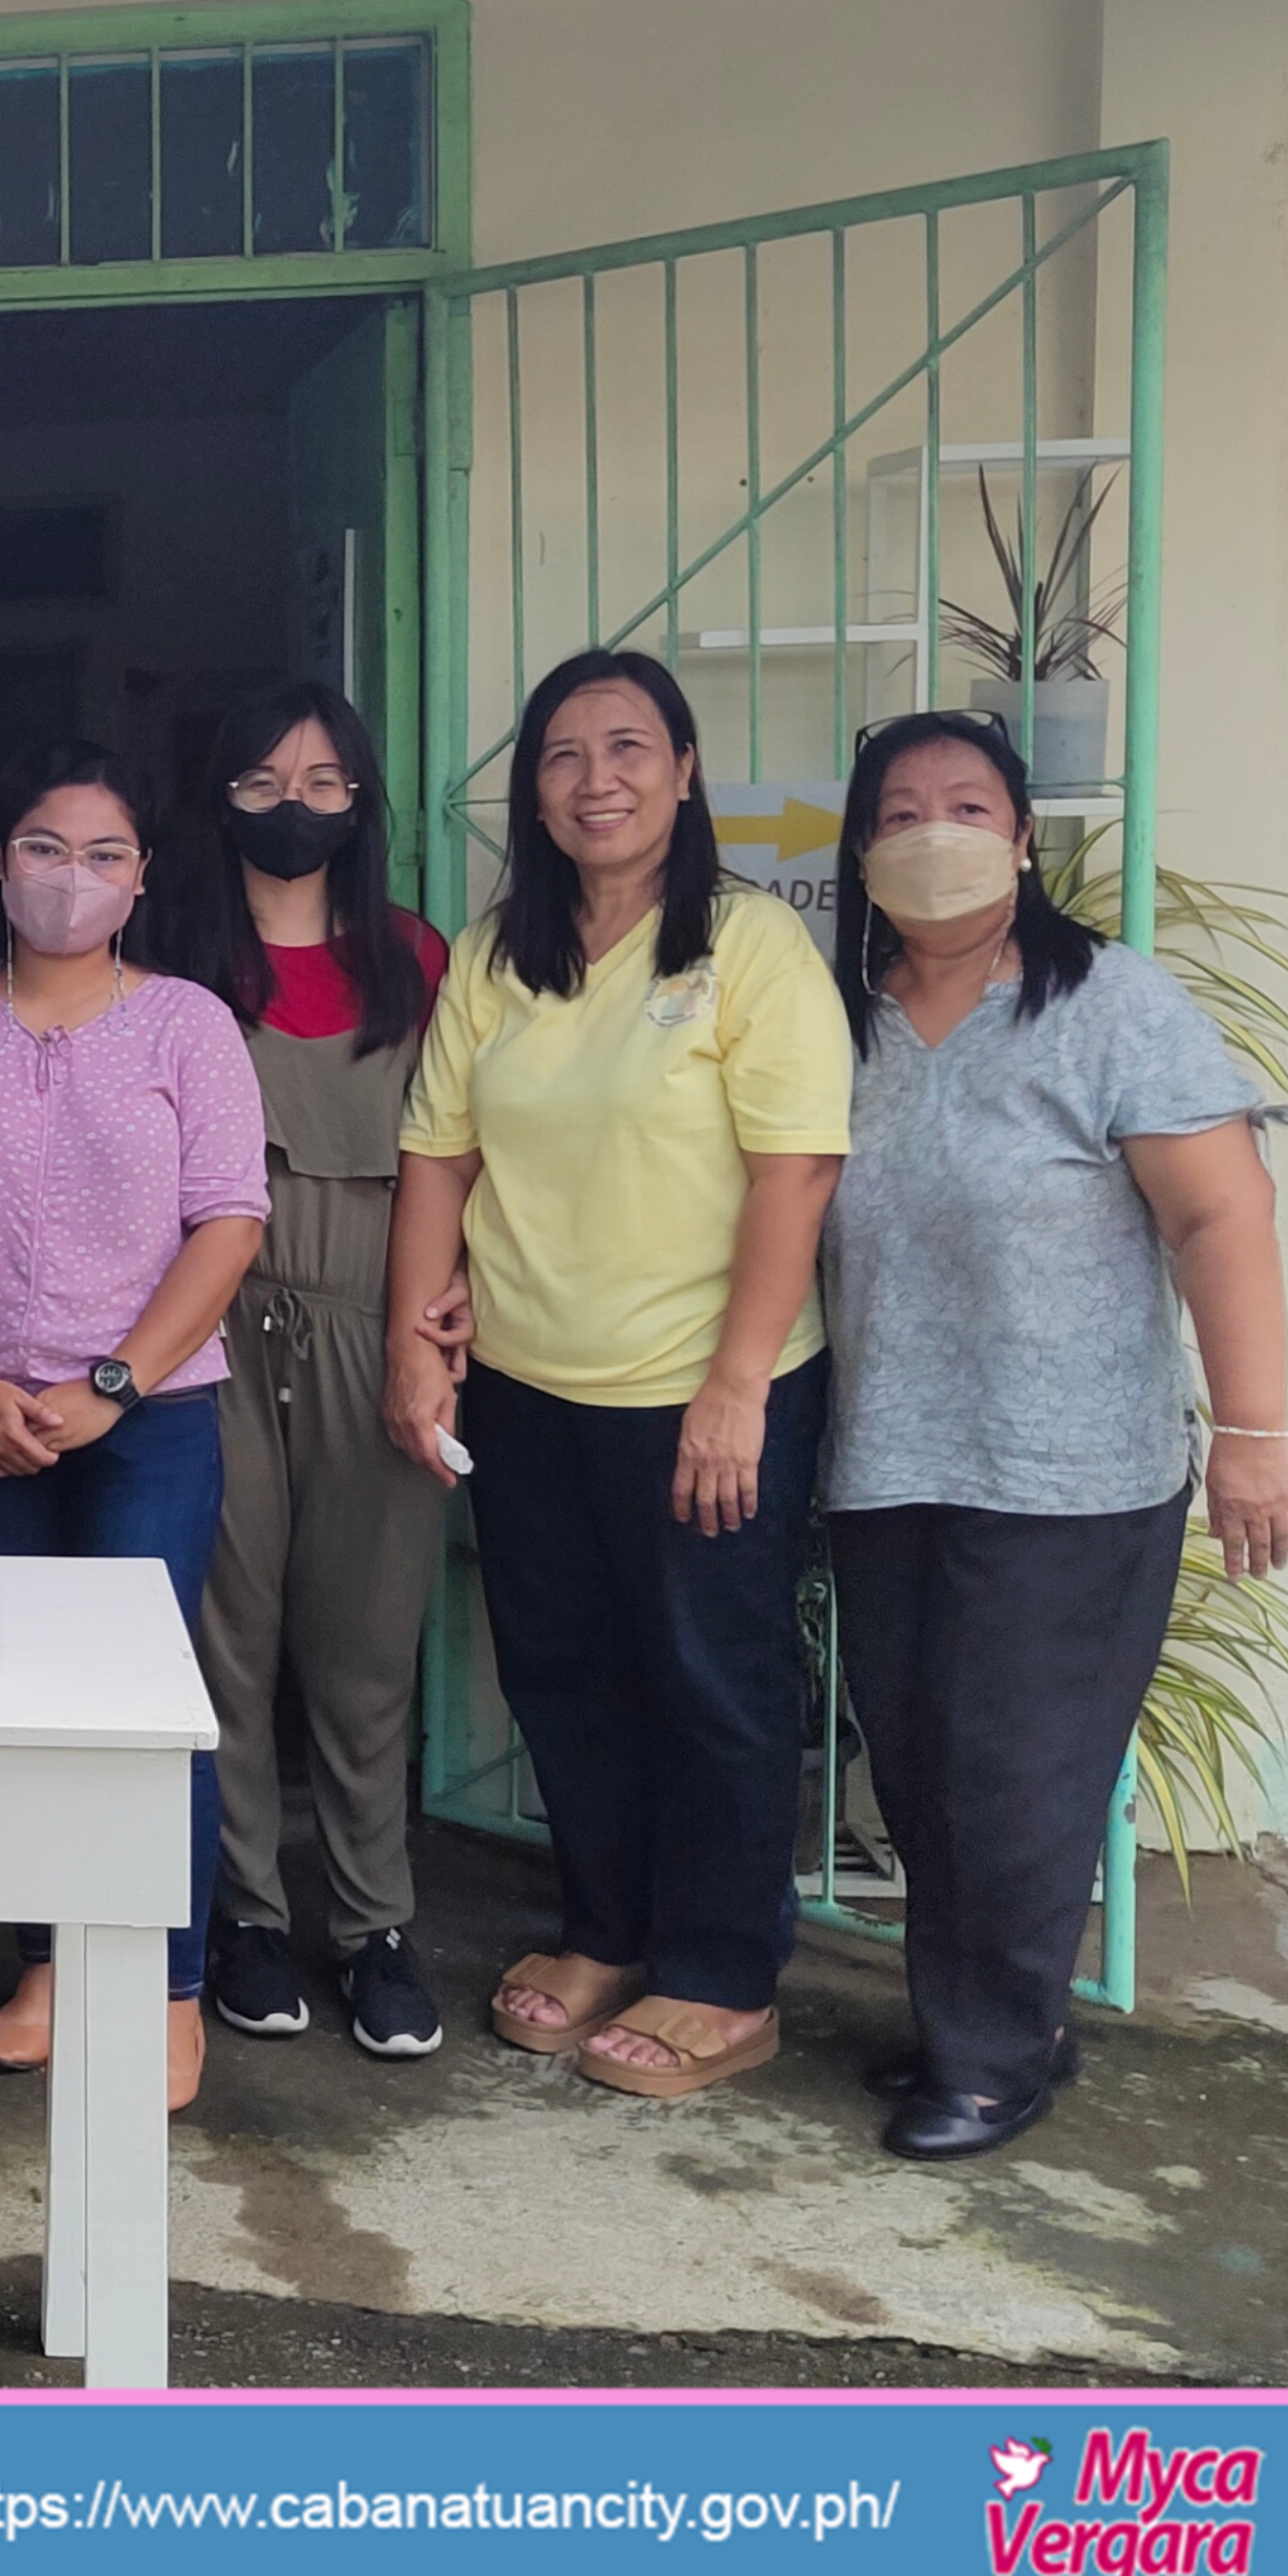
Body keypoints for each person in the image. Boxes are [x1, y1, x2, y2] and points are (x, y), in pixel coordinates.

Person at [822, 711, 1288, 2157]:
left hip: (1072, 1473)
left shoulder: (1114, 1007)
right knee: (917, 1766)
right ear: (859, 849)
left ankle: (990, 2057)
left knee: (1016, 1773)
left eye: (968, 805)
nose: (934, 833)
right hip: (887, 1458)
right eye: (899, 810)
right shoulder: (847, 1023)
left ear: (1025, 841)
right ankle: (991, 2020)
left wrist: (1257, 1429)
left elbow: (1221, 1215)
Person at [385, 649, 849, 2099]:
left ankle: (721, 1973)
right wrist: (417, 1338)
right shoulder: (495, 954)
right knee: (566, 1668)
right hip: (526, 1385)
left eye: (630, 747)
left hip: (700, 1390)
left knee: (714, 1679)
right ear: (534, 789)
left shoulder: (748, 946)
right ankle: (607, 1929)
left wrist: (738, 1386)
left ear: (687, 770)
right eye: (565, 755)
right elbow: (435, 1155)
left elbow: (797, 1170)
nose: (598, 780)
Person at [0, 740, 264, 2099]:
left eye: (105, 854)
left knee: (148, 1702)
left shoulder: (186, 1024)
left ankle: (167, 1982)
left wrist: (111, 1386)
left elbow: (228, 1220)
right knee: (16, 1700)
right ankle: (52, 1956)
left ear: (143, 877)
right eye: (45, 848)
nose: (71, 877)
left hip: (146, 1417)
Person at [173, 681, 457, 2063]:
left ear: (363, 802)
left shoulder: (414, 959)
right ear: (218, 790)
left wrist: (440, 1315)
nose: (297, 806)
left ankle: (375, 1926)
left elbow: (458, 1158)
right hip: (207, 1328)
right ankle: (243, 1914)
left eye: (327, 781)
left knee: (365, 1646)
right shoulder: (170, 952)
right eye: (267, 778)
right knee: (226, 1637)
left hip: (374, 1318)